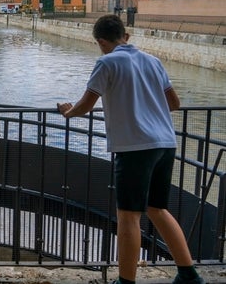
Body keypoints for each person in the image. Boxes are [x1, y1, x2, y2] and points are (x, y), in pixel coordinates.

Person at [57, 14, 203, 284]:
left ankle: (126, 281)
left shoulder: (106, 62)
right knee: (157, 208)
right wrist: (144, 104)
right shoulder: (153, 61)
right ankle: (188, 273)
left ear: (101, 42)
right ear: (126, 35)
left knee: (128, 216)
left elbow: (86, 105)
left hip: (135, 147)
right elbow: (174, 102)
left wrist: (68, 113)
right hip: (165, 143)